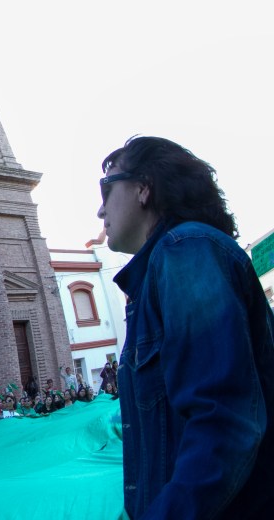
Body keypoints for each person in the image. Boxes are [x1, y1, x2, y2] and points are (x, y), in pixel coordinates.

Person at [98, 136, 274, 518]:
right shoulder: (161, 269)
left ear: (143, 188)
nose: (100, 209)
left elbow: (223, 422)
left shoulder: (186, 249)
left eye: (106, 189)